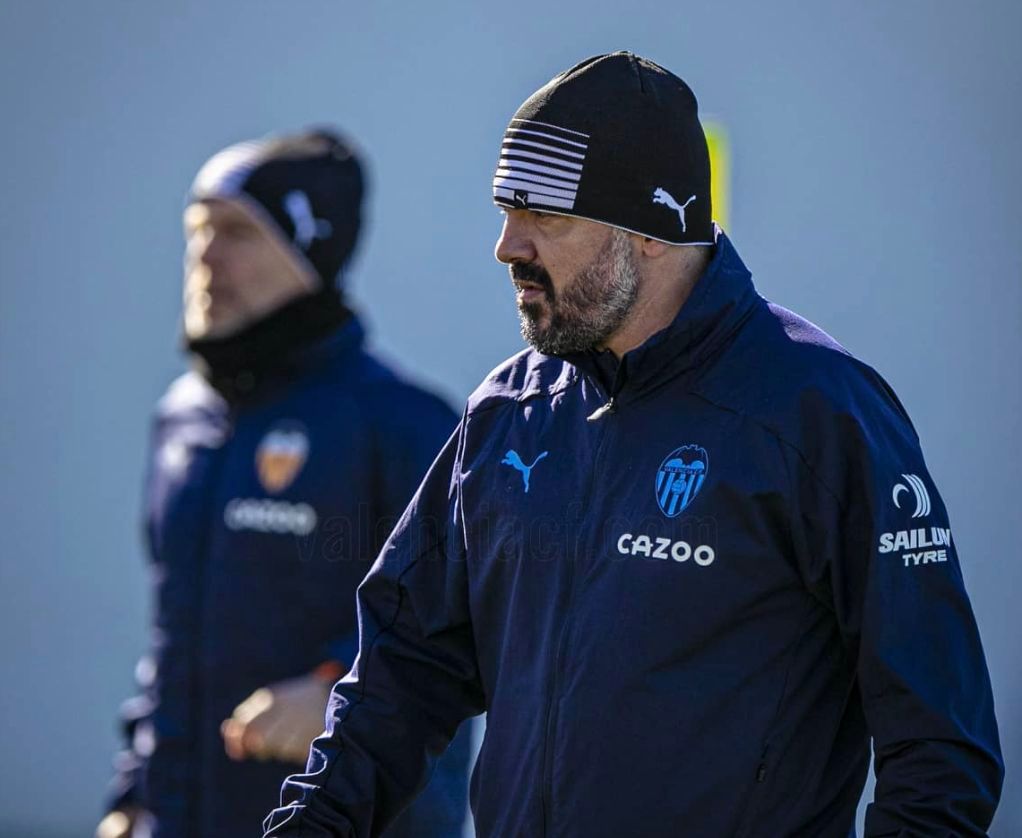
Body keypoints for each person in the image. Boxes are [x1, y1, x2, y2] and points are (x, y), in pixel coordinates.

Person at [262, 54, 1003, 837]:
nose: (507, 246)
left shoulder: (817, 414)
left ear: (651, 230)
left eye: (544, 214)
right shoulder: (509, 412)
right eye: (505, 209)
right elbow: (400, 676)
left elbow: (940, 749)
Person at [98, 129, 472, 838]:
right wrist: (131, 801)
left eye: (237, 232)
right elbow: (174, 641)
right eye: (197, 230)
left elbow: (466, 629)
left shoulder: (403, 424)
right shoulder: (182, 420)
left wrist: (337, 691)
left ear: (312, 251)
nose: (205, 257)